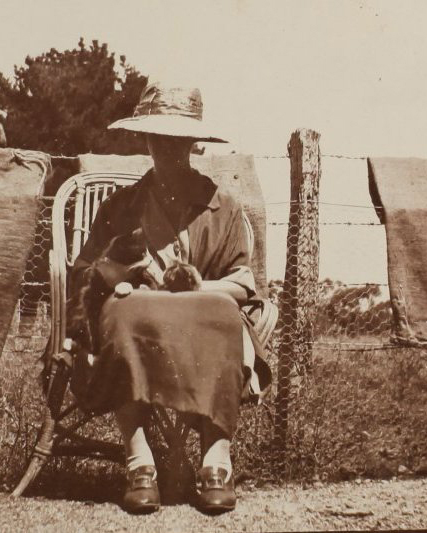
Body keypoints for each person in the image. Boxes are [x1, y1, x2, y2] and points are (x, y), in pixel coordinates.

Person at [68, 81, 272, 515]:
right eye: (161, 141)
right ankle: (140, 461)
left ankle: (216, 461)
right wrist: (115, 270)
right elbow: (85, 272)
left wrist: (199, 286)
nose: (170, 151)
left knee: (222, 312)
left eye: (180, 142)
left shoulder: (223, 207)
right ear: (146, 140)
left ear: (195, 144)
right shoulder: (122, 206)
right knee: (125, 310)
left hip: (202, 325)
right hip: (139, 323)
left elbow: (242, 285)